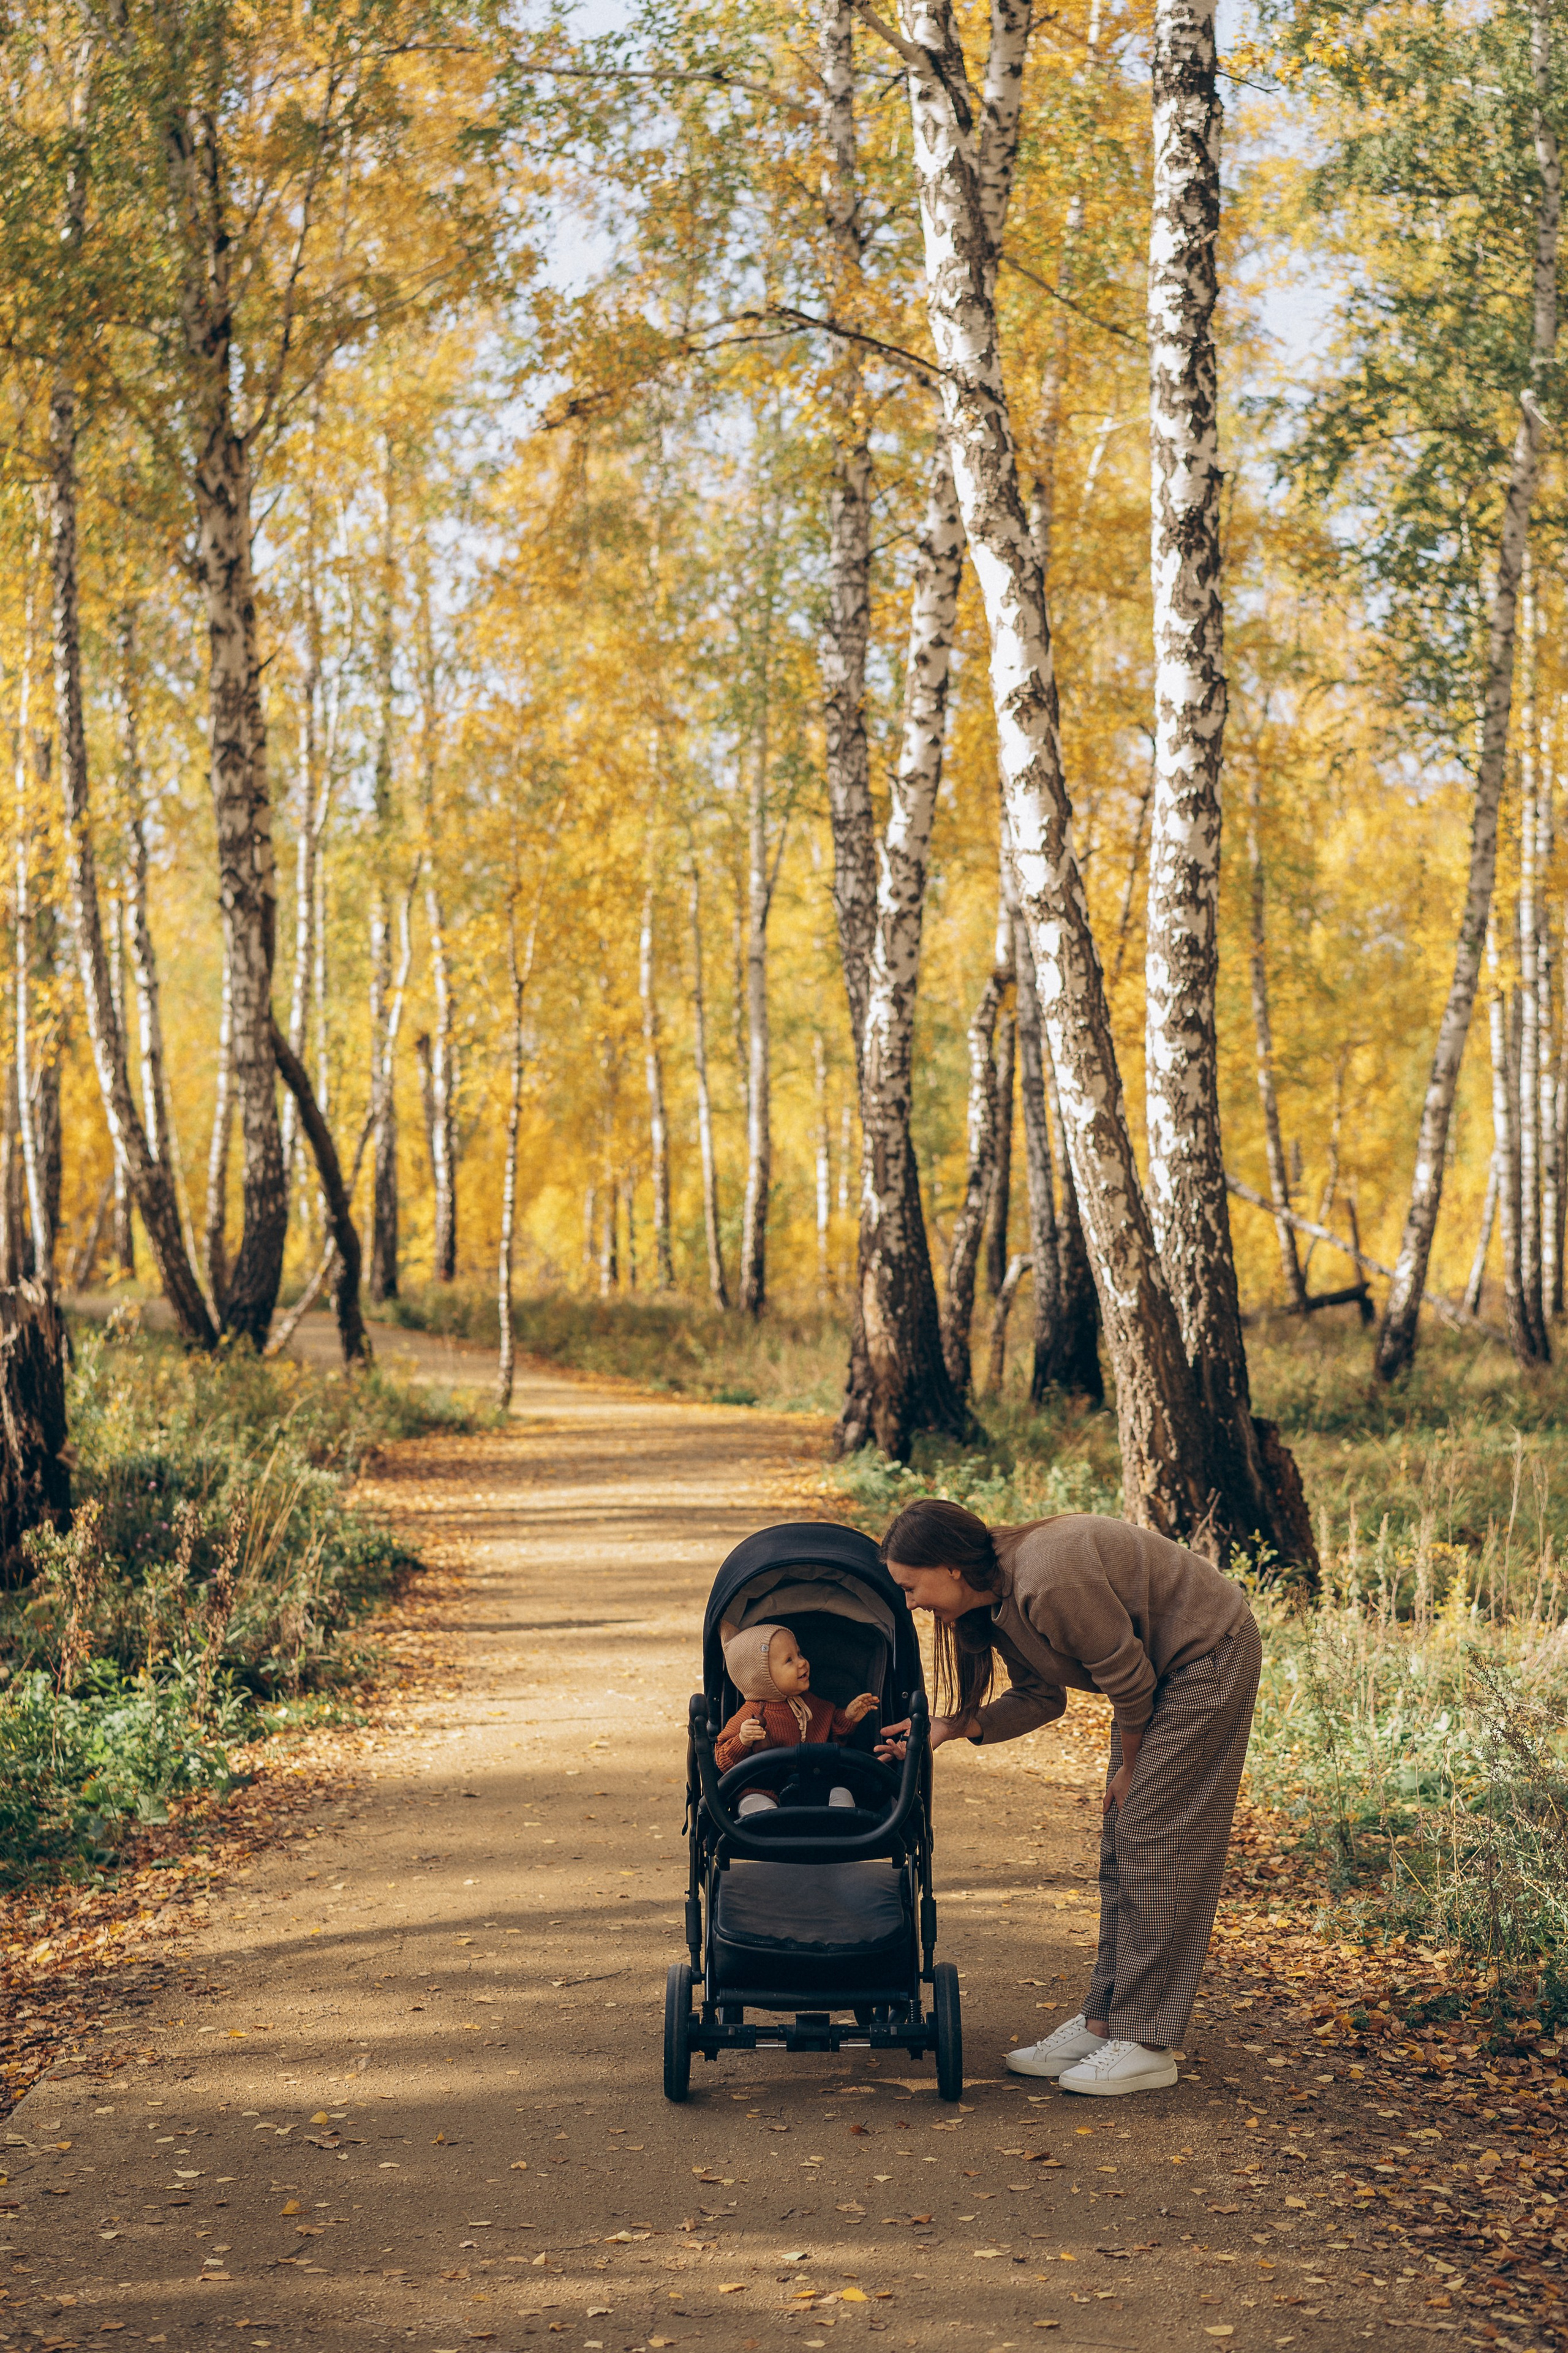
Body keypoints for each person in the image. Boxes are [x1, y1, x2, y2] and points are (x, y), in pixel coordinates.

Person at [875, 1498, 1261, 2098]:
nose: (909, 1601)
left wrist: (1132, 1769)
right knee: (1122, 1844)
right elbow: (1041, 1696)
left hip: (1205, 1655)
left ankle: (1148, 2043)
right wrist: (952, 1726)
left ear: (950, 1566)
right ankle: (1106, 2020)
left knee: (1151, 1842)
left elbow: (1131, 1684)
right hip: (1158, 1676)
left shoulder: (1047, 1580)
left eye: (909, 1586)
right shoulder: (995, 1599)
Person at [716, 1622, 877, 1815]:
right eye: (789, 1660)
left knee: (842, 1794)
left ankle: (835, 1834)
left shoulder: (809, 1704)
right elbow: (723, 1759)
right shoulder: (749, 1716)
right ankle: (773, 1836)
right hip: (766, 1790)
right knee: (753, 1805)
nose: (802, 1662)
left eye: (799, 1654)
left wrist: (848, 1717)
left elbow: (831, 1728)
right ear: (760, 1676)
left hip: (816, 1786)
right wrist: (742, 1741)